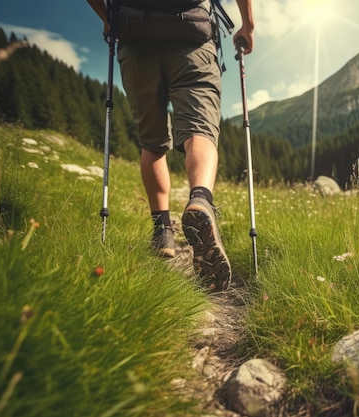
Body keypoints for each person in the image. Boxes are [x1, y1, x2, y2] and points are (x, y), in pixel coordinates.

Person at [87, 0, 254, 292]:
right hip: (193, 33)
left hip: (134, 34)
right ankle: (201, 199)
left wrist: (107, 17)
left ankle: (162, 230)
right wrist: (247, 25)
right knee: (199, 128)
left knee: (152, 142)